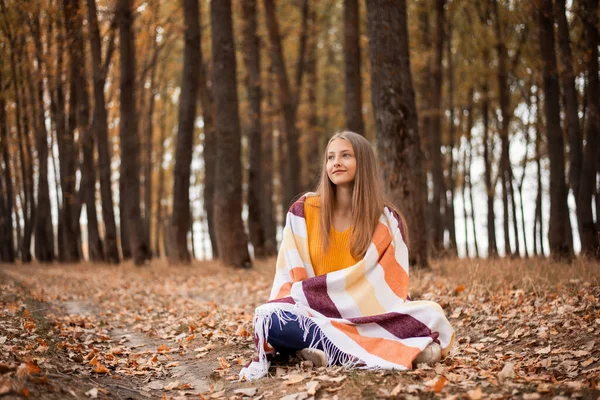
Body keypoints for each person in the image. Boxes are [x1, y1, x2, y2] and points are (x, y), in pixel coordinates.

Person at [240, 131, 454, 380]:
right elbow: (288, 280)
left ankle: (321, 349)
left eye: (345, 155)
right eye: (330, 157)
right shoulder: (303, 212)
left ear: (363, 162)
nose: (336, 163)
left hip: (365, 318)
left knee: (431, 313)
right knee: (269, 319)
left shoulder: (385, 220)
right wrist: (315, 303)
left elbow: (391, 291)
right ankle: (357, 350)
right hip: (313, 312)